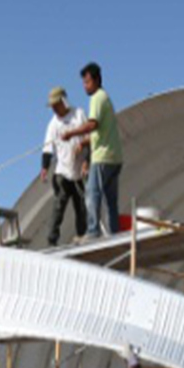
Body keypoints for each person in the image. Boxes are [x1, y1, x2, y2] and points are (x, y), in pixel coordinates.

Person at [61, 62, 123, 238]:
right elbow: (100, 131)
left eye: (87, 82)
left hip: (103, 157)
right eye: (83, 82)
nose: (85, 86)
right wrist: (84, 142)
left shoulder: (96, 98)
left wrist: (71, 133)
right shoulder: (106, 98)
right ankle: (114, 234)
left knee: (92, 192)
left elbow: (92, 124)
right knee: (111, 200)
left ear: (96, 80)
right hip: (115, 157)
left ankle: (93, 231)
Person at [41, 86, 89, 246]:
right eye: (52, 106)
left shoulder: (79, 115)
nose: (54, 109)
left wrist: (86, 160)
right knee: (59, 205)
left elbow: (90, 138)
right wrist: (44, 168)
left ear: (64, 102)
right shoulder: (53, 124)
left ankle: (82, 236)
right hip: (62, 170)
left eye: (56, 105)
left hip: (79, 170)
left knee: (81, 206)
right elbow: (47, 149)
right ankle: (51, 240)